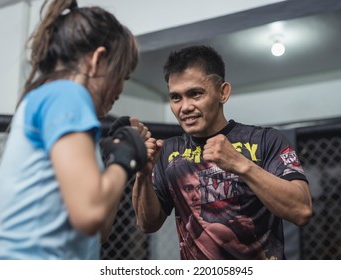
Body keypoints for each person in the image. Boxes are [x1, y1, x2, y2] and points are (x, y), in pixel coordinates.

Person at [0, 0, 149, 260]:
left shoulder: (51, 97)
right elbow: (90, 213)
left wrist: (112, 160)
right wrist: (126, 155)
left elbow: (100, 230)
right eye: (121, 75)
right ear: (98, 59)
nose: (119, 90)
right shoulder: (67, 94)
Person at [132, 45, 313, 260]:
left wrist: (241, 165)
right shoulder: (169, 151)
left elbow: (301, 211)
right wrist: (143, 174)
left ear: (223, 92)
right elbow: (147, 224)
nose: (185, 107)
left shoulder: (265, 140)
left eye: (195, 94)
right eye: (176, 98)